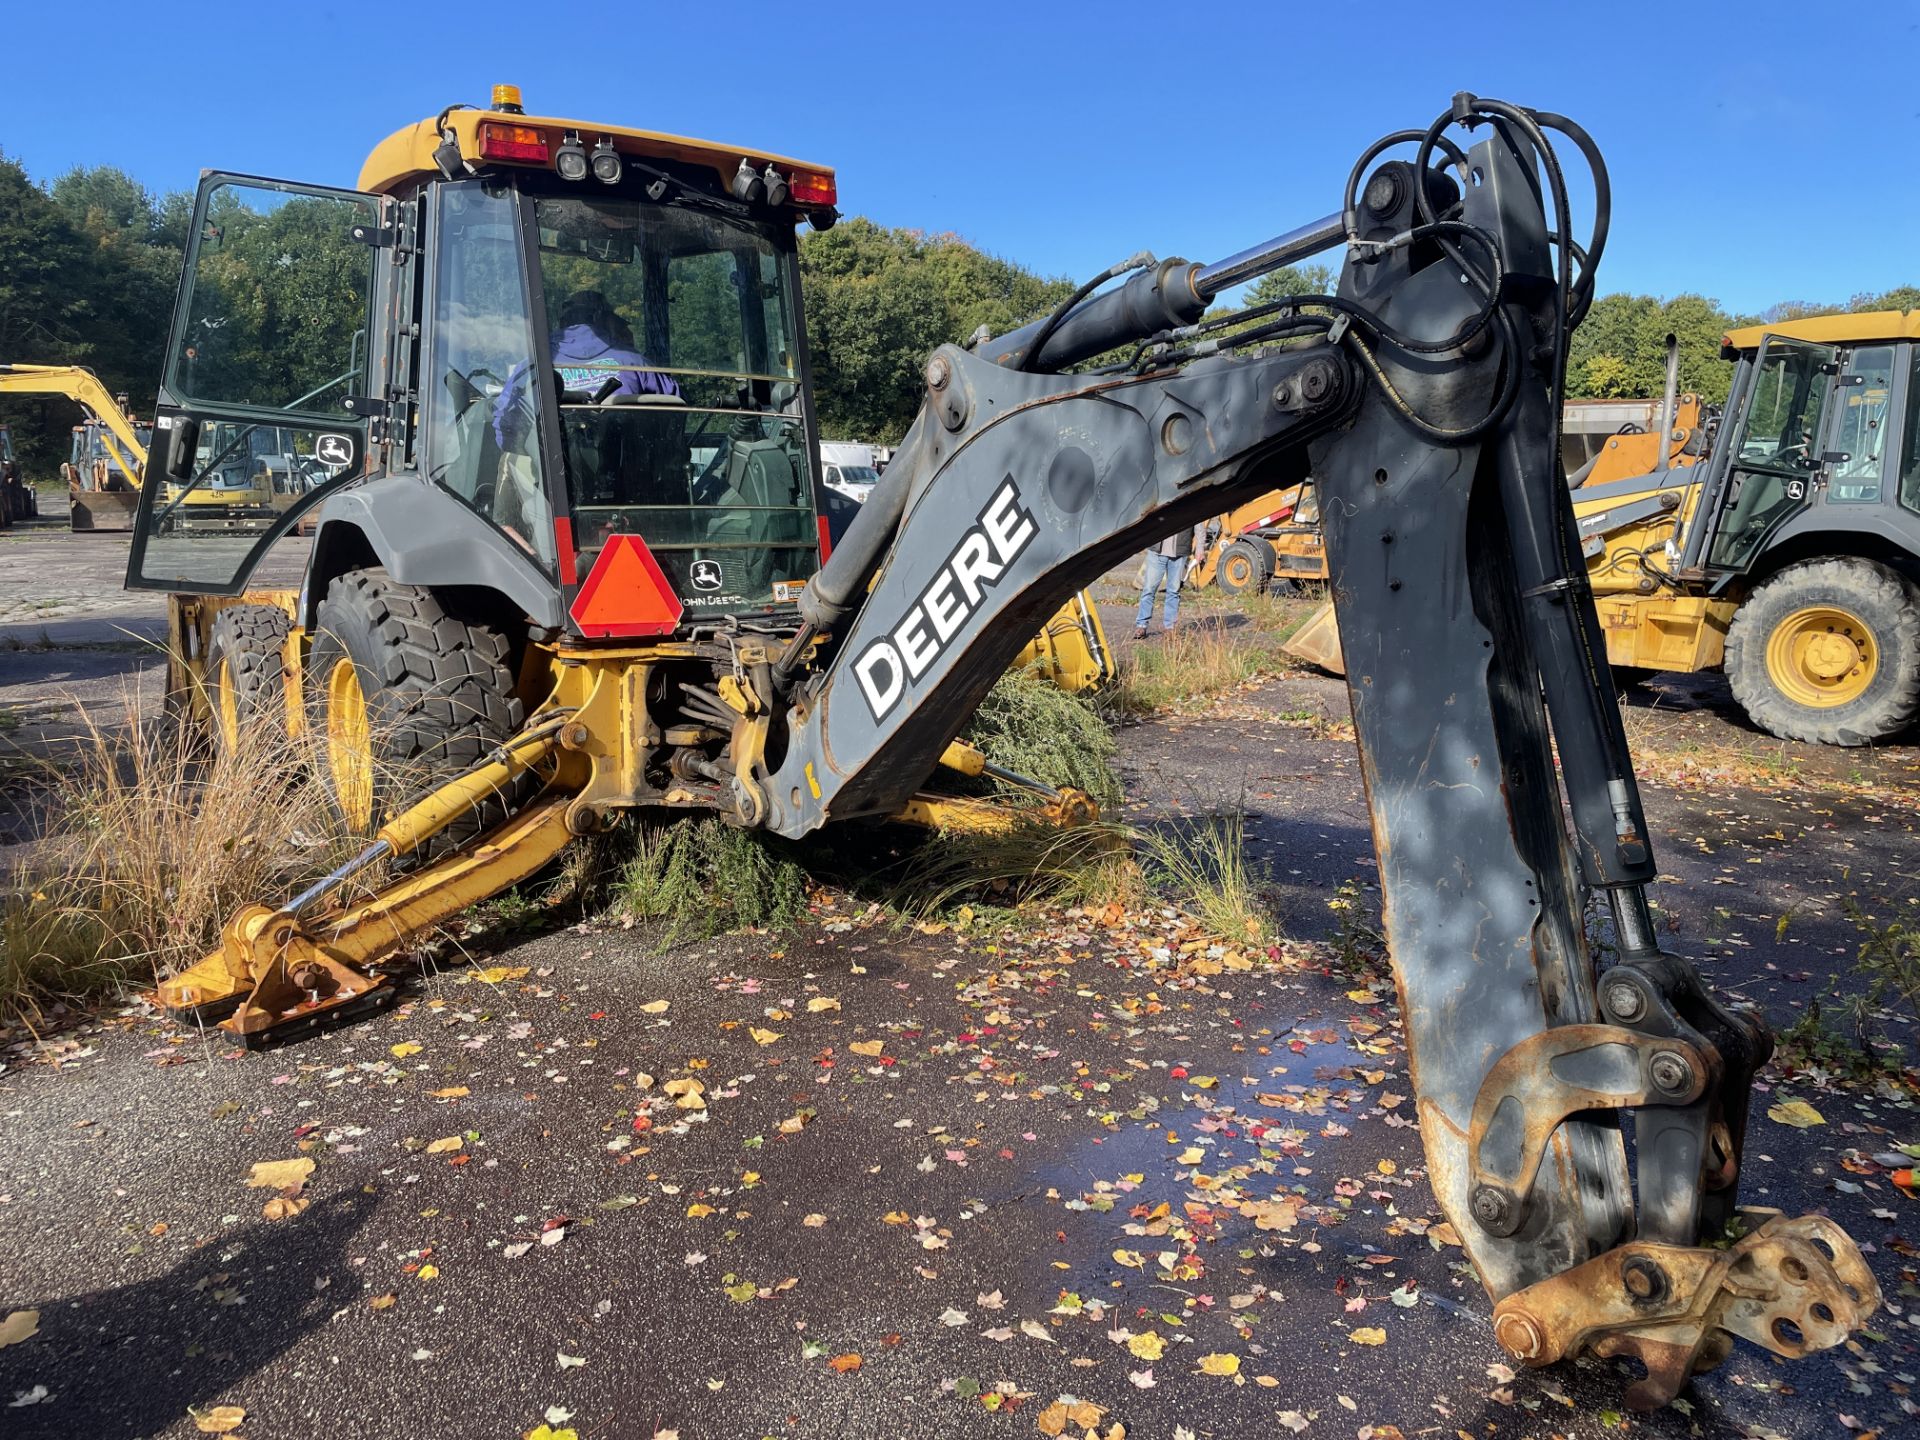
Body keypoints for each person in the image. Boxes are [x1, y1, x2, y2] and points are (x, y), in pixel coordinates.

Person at [550, 290, 679, 400]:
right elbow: (675, 399)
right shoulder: (633, 361)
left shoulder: (539, 362)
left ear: (563, 322)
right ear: (598, 318)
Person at [1134, 524, 1202, 639]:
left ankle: (1170, 628)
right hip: (1156, 552)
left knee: (1173, 592)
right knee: (1149, 589)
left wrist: (1200, 549)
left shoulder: (1191, 506)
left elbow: (1199, 525)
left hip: (1179, 553)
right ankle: (1141, 625)